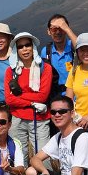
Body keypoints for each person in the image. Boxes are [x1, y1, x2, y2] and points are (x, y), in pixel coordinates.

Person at [4, 32, 52, 166]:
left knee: (43, 155)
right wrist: (32, 101)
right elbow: (9, 99)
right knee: (18, 154)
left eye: (27, 45)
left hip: (39, 118)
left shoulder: (45, 68)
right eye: (20, 47)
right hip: (17, 118)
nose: (24, 49)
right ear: (16, 50)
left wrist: (19, 96)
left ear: (33, 47)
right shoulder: (11, 71)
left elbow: (43, 96)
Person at [40, 13, 78, 100]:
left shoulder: (73, 46)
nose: (58, 32)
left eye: (61, 28)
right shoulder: (46, 51)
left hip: (75, 97)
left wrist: (67, 29)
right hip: (55, 98)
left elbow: (82, 47)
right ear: (49, 32)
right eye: (54, 29)